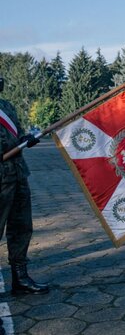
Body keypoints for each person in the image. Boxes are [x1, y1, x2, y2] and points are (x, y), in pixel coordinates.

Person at [0, 75, 49, 296]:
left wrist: (26, 139)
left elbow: (16, 134)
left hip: (18, 173)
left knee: (21, 227)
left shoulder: (6, 106)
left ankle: (20, 279)